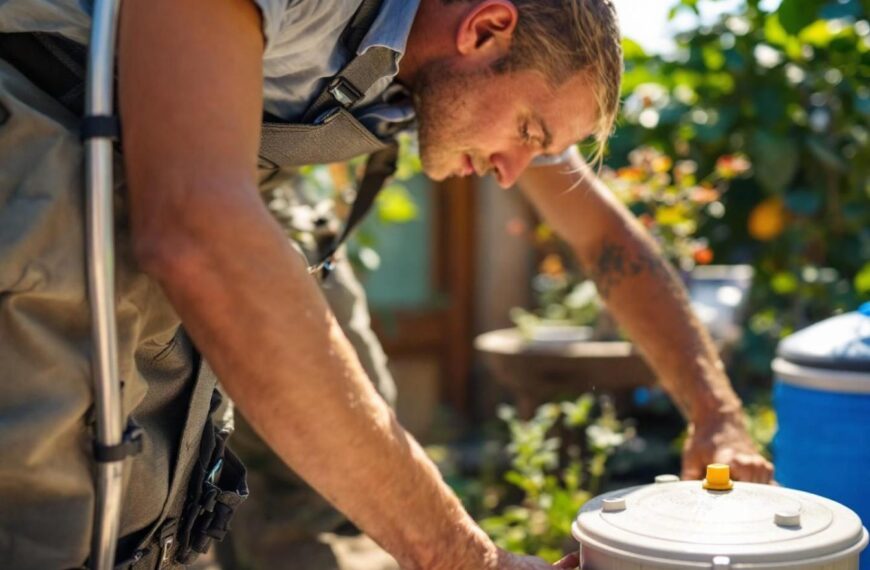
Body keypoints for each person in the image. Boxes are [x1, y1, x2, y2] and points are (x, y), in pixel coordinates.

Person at [0, 1, 773, 569]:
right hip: (46, 139)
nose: (513, 173)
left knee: (347, 420)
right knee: (70, 495)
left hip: (215, 173)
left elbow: (603, 237)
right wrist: (467, 559)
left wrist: (717, 415)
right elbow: (197, 232)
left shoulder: (445, 63)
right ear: (484, 28)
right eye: (529, 135)